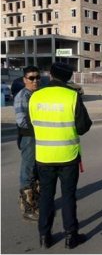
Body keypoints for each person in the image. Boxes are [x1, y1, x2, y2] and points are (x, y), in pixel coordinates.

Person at [29, 62, 92, 249]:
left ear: (50, 74)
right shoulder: (72, 96)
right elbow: (83, 127)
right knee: (68, 196)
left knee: (46, 196)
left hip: (44, 156)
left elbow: (32, 124)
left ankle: (44, 236)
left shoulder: (35, 96)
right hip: (68, 156)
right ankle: (71, 236)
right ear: (69, 78)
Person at [14, 66, 41, 221]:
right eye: (31, 78)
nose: (35, 80)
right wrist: (39, 127)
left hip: (40, 138)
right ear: (25, 79)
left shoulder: (38, 94)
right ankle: (27, 208)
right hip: (29, 137)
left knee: (38, 170)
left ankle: (36, 203)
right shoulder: (23, 96)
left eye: (37, 77)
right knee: (28, 171)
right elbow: (21, 121)